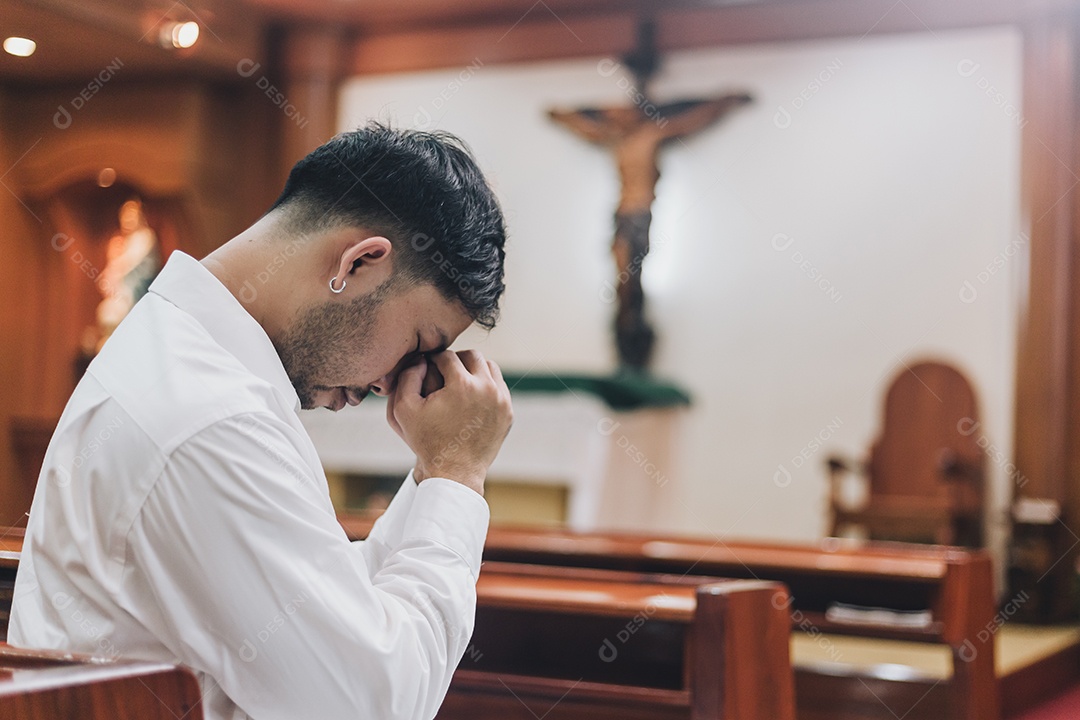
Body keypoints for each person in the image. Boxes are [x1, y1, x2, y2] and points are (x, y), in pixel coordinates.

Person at [8, 123, 513, 720]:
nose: (390, 384)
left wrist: (436, 470)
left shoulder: (190, 361)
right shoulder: (214, 418)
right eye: (418, 341)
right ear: (360, 263)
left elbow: (328, 615)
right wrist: (459, 475)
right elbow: (375, 706)